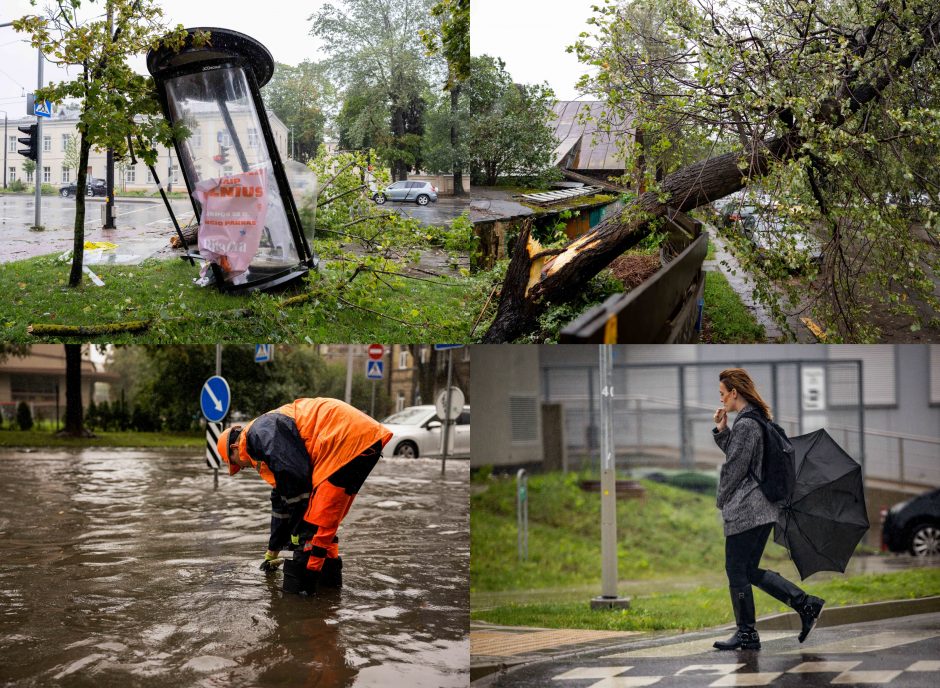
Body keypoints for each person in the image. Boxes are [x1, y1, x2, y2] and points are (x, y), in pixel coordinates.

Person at [217, 398, 392, 595]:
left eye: (236, 464)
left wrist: (299, 534)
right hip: (357, 441)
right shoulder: (264, 442)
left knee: (313, 528)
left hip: (343, 440)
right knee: (324, 525)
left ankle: (301, 599)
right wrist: (272, 552)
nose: (241, 468)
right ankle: (329, 592)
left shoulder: (258, 435)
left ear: (234, 448)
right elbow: (281, 502)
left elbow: (296, 479)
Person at [712, 368, 824, 651]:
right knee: (747, 569)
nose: (722, 399)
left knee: (735, 568)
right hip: (764, 509)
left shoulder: (748, 424)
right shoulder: (756, 419)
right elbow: (745, 457)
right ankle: (805, 604)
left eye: (723, 394)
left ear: (734, 392)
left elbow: (735, 467)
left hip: (748, 509)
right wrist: (723, 430)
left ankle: (747, 633)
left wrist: (721, 499)